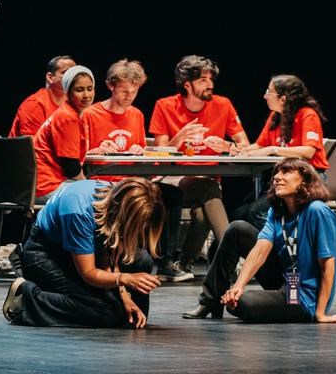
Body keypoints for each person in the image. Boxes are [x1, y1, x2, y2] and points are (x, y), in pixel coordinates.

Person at [184, 159, 336, 323]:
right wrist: (238, 286)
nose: (277, 177)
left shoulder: (317, 211)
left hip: (305, 296)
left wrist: (321, 314)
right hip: (286, 280)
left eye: (286, 172)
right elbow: (260, 250)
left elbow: (328, 265)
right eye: (277, 172)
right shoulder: (277, 211)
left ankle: (305, 310)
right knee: (237, 229)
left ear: (304, 181)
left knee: (243, 303)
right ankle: (210, 302)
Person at [1, 178, 163, 328]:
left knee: (141, 263)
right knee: (104, 312)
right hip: (46, 254)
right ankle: (27, 298)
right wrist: (124, 279)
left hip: (82, 251)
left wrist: (125, 296)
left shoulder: (114, 199)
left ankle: (113, 309)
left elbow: (107, 255)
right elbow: (89, 273)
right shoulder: (78, 212)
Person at [84, 59, 189, 282]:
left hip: (133, 181)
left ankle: (166, 262)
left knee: (172, 194)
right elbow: (79, 154)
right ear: (111, 86)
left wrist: (139, 150)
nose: (129, 96)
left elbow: (141, 151)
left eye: (134, 91)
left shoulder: (137, 115)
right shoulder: (91, 114)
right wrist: (98, 148)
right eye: (124, 90)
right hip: (104, 182)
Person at [148, 55, 248, 272]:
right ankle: (233, 255)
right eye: (203, 79)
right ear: (187, 84)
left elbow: (244, 144)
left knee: (202, 217)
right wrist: (180, 137)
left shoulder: (223, 105)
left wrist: (227, 146)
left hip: (206, 181)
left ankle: (182, 263)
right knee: (208, 187)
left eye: (211, 79)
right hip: (173, 179)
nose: (210, 84)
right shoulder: (165, 106)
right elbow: (160, 154)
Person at [232, 75, 331, 230]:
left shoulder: (307, 115)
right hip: (283, 178)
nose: (265, 96)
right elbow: (259, 145)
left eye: (269, 92)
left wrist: (274, 150)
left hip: (309, 178)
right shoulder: (275, 117)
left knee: (256, 211)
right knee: (240, 212)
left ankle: (280, 250)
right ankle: (255, 250)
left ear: (283, 99)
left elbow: (308, 151)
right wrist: (236, 149)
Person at [33, 65, 95, 201]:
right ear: (68, 92)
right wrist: (86, 186)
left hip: (49, 182)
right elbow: (71, 167)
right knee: (103, 197)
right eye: (79, 90)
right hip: (47, 186)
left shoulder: (72, 113)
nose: (86, 95)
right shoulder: (68, 117)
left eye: (89, 89)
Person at [7, 55, 76, 137]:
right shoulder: (35, 104)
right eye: (66, 72)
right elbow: (30, 146)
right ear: (50, 77)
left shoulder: (76, 102)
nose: (73, 77)